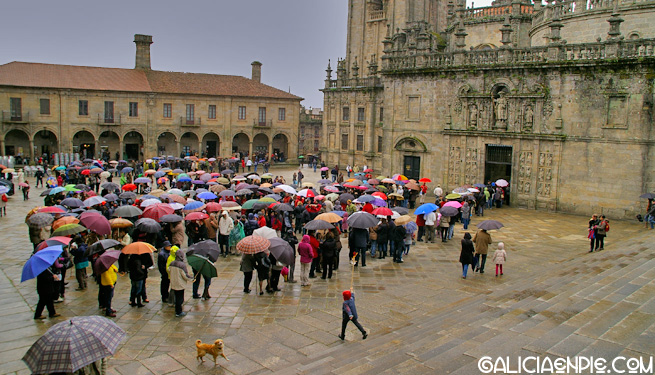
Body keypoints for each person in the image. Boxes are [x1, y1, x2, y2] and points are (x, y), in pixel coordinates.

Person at [169, 249, 192, 317]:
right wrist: (192, 279)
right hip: (180, 284)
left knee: (176, 297)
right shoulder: (182, 265)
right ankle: (179, 312)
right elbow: (185, 275)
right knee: (180, 298)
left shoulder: (172, 263)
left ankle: (177, 310)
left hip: (174, 283)